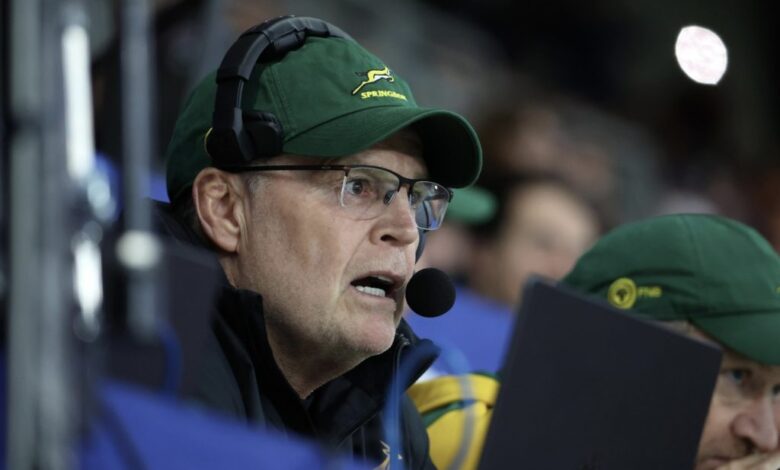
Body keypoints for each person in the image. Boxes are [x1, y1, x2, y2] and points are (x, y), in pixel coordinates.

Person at [160, 15, 482, 468]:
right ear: (226, 210)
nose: (407, 229)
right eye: (358, 185)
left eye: (415, 197)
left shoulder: (390, 420)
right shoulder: (142, 352)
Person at [409, 214, 780, 469]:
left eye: (777, 391)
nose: (765, 436)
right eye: (737, 377)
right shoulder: (472, 433)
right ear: (627, 350)